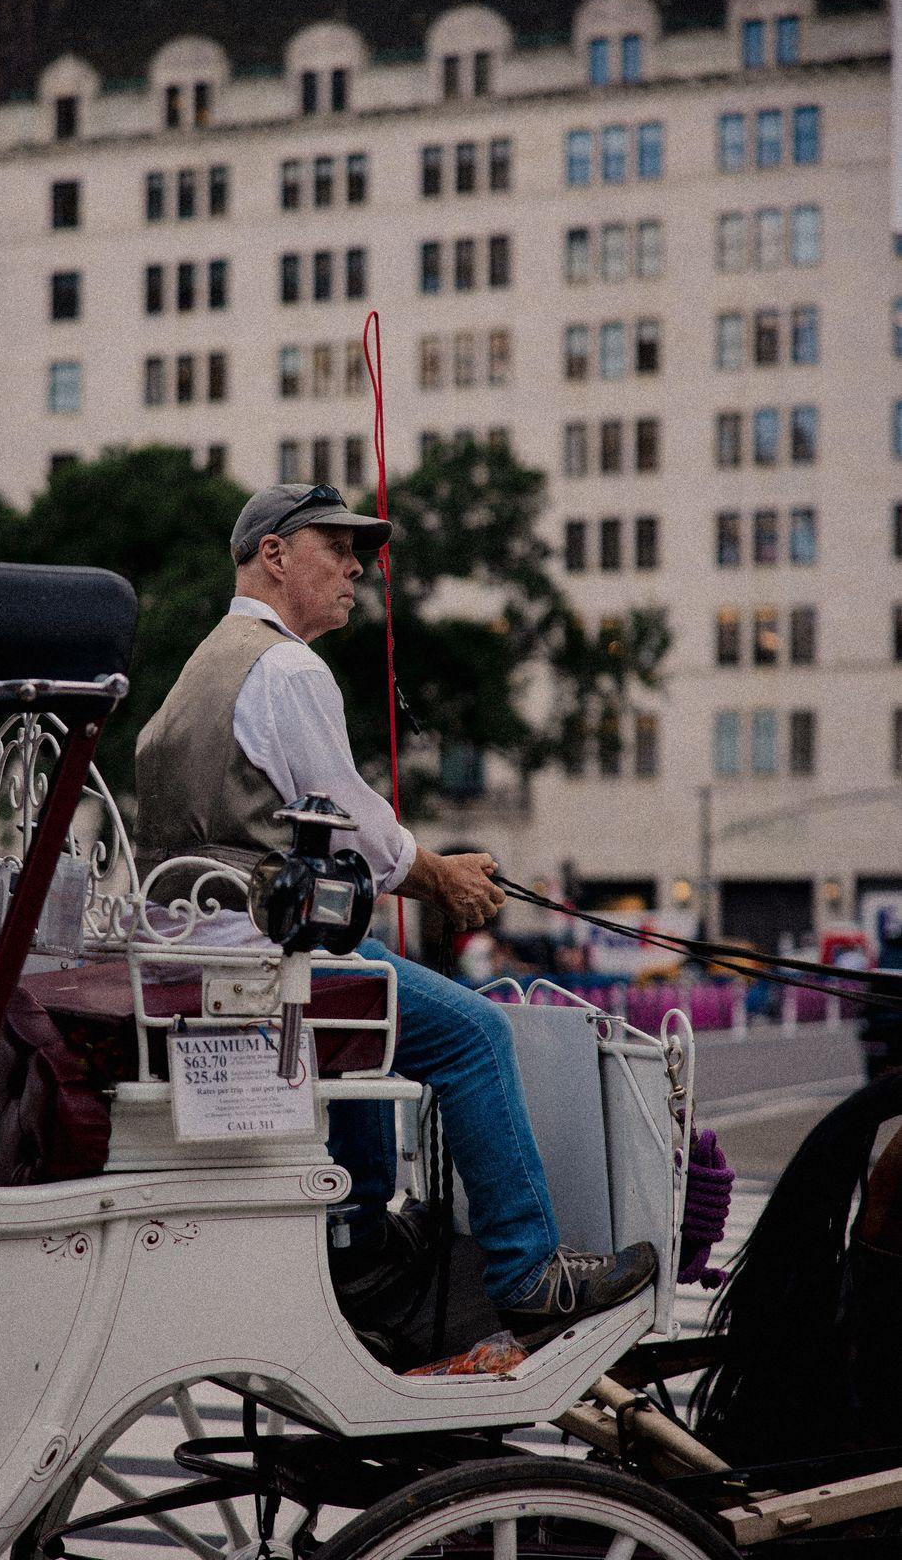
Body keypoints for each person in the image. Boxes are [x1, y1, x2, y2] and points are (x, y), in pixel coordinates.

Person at [134, 482, 655, 1351]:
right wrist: (445, 876)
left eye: (358, 553)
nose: (354, 569)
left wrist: (428, 873)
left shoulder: (204, 666)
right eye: (335, 549)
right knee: (475, 1034)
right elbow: (357, 830)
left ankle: (364, 1233)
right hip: (262, 965)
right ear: (273, 554)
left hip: (201, 958)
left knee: (368, 967)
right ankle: (528, 1272)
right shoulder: (287, 666)